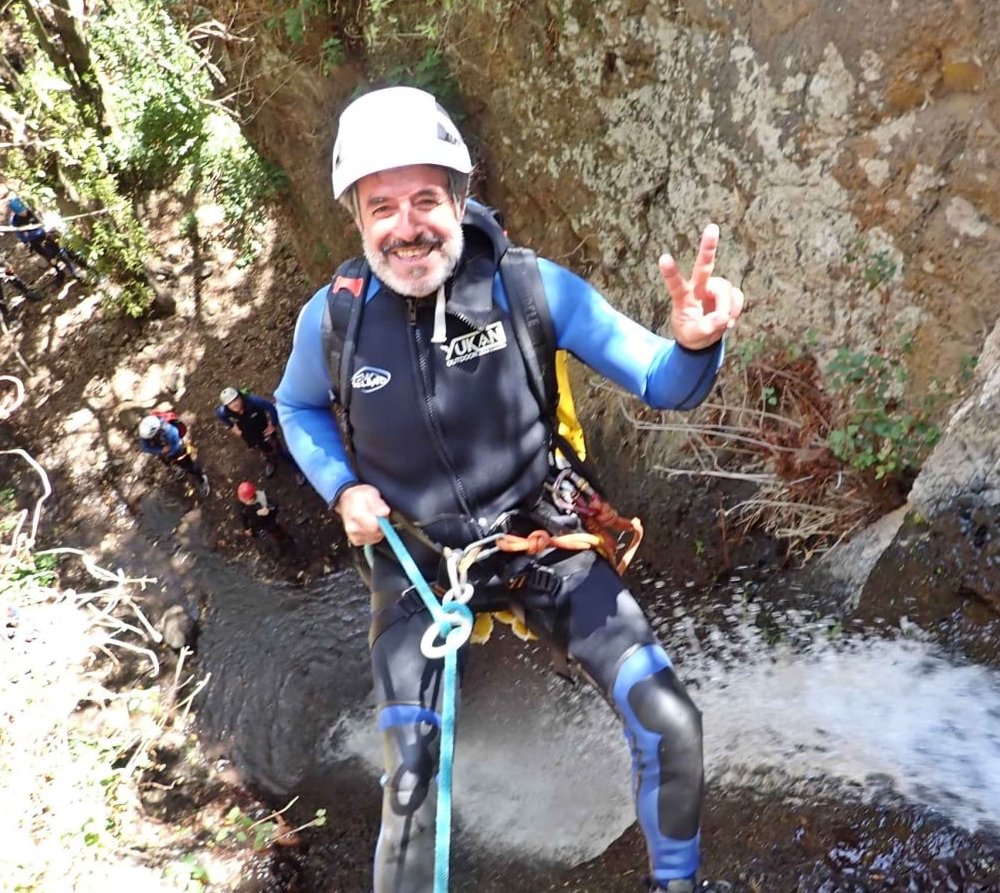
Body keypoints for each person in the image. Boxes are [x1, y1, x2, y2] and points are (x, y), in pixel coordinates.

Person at [275, 86, 744, 893]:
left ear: (460, 196)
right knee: (413, 786)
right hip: (419, 570)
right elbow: (296, 406)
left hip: (541, 542)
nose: (407, 225)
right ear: (356, 216)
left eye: (427, 197)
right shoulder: (335, 322)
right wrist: (342, 486)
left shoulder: (529, 289)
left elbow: (663, 382)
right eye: (381, 205)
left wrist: (696, 343)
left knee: (671, 723)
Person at [216, 387, 306, 485]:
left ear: (240, 397)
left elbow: (271, 408)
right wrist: (232, 427)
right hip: (249, 435)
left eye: (235, 400)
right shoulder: (225, 411)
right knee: (262, 449)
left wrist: (273, 425)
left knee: (278, 450)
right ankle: (271, 462)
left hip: (264, 432)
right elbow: (220, 415)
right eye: (230, 403)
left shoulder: (254, 402)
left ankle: (296, 469)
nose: (234, 404)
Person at [7, 196, 84, 280]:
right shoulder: (16, 221)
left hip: (49, 237)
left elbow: (44, 224)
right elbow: (23, 237)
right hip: (38, 244)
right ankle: (59, 273)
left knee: (63, 254)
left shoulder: (32, 211)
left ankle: (75, 272)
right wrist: (35, 233)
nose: (23, 213)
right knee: (51, 259)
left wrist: (33, 232)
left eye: (23, 210)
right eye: (20, 213)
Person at [137, 413, 210, 497]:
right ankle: (178, 468)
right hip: (163, 449)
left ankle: (201, 478)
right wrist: (161, 450)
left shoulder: (171, 432)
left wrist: (167, 453)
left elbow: (176, 448)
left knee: (189, 466)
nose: (146, 440)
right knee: (166, 461)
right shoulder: (147, 434)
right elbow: (145, 447)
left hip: (177, 450)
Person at [235, 481, 295, 557]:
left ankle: (285, 541)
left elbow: (275, 507)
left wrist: (268, 511)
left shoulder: (262, 499)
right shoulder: (243, 507)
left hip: (269, 522)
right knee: (265, 537)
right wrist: (246, 528)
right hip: (257, 526)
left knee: (277, 532)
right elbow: (243, 517)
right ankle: (274, 545)